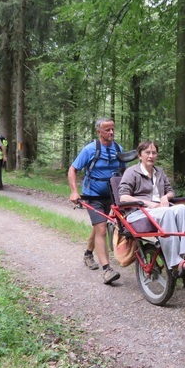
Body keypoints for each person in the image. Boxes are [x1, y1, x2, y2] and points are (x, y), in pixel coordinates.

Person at [119, 140, 185, 275]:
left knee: (183, 209)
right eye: (147, 152)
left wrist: (165, 197)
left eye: (154, 153)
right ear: (140, 155)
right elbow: (123, 197)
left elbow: (171, 191)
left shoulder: (159, 172)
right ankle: (174, 262)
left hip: (160, 209)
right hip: (139, 212)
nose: (151, 156)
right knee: (167, 213)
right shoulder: (131, 172)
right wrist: (147, 203)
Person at [68, 117, 125, 284]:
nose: (111, 132)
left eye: (113, 129)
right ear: (98, 132)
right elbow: (73, 169)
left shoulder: (118, 148)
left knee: (98, 225)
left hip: (112, 195)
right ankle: (107, 270)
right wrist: (74, 191)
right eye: (107, 130)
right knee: (101, 229)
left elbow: (124, 172)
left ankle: (88, 254)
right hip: (92, 195)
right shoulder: (89, 149)